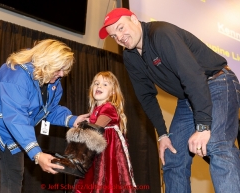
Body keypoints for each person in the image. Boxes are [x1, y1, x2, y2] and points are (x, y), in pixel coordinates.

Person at [98, 8, 240, 193]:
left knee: (217, 146)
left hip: (217, 82)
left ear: (134, 19)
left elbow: (193, 76)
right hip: (187, 97)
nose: (120, 36)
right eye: (114, 35)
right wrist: (163, 135)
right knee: (172, 157)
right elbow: (146, 96)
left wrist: (203, 126)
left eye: (121, 27)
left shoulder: (161, 34)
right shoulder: (130, 56)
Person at [0, 39, 89, 193]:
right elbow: (16, 116)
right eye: (59, 69)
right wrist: (37, 154)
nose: (62, 74)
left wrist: (73, 120)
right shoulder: (16, 74)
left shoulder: (54, 83)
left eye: (64, 70)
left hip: (11, 127)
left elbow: (49, 110)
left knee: (14, 173)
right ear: (47, 62)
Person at [52, 71, 136, 192]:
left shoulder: (108, 107)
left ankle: (74, 161)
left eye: (105, 84)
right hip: (96, 153)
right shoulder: (97, 110)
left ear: (113, 92)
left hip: (107, 154)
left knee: (104, 181)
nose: (99, 86)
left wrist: (80, 135)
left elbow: (95, 128)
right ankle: (74, 160)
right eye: (96, 83)